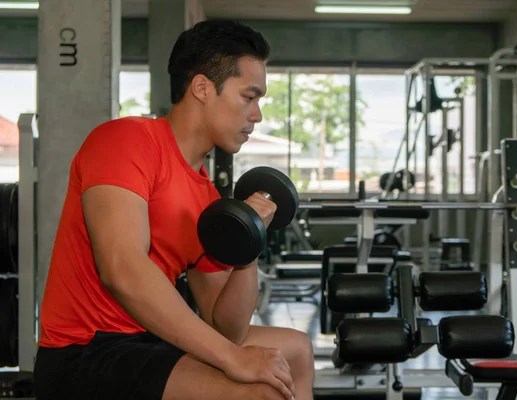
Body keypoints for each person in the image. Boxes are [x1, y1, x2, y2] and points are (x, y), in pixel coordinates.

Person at [33, 20, 314, 400]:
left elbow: (227, 328)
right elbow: (122, 268)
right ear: (201, 87)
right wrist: (233, 359)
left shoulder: (207, 197)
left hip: (149, 339)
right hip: (86, 352)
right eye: (249, 97)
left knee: (297, 350)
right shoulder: (126, 141)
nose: (257, 115)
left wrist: (250, 240)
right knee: (262, 394)